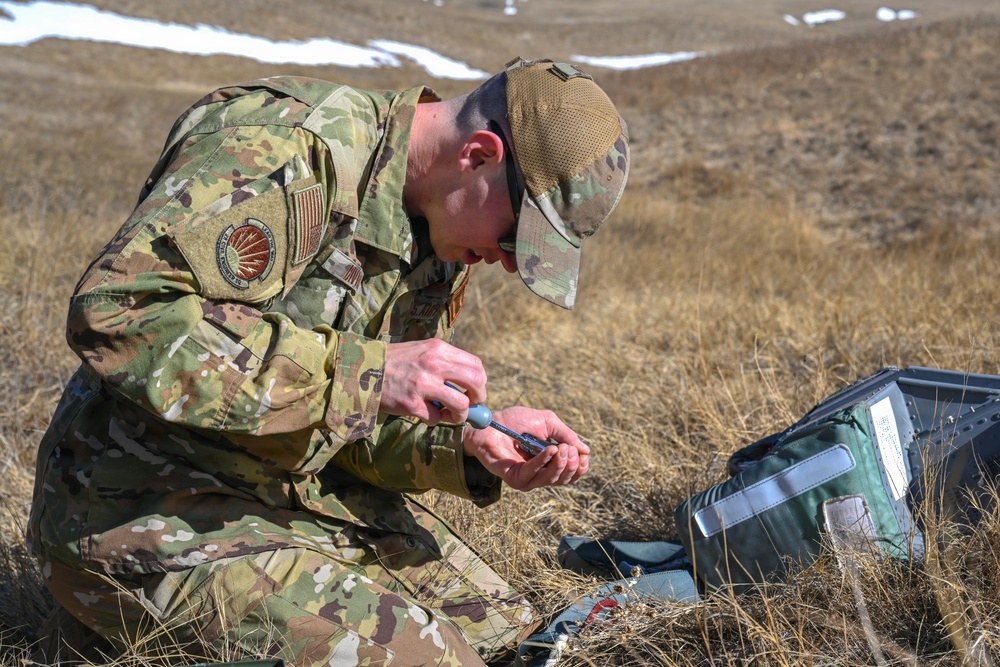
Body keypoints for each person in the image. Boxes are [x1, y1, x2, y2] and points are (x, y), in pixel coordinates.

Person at [27, 56, 630, 666]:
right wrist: (362, 373)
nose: (506, 262)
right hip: (134, 500)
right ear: (477, 155)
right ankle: (99, 625)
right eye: (514, 238)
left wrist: (467, 447)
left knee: (513, 638)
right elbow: (118, 313)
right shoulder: (287, 148)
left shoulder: (440, 238)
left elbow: (347, 422)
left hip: (289, 498)